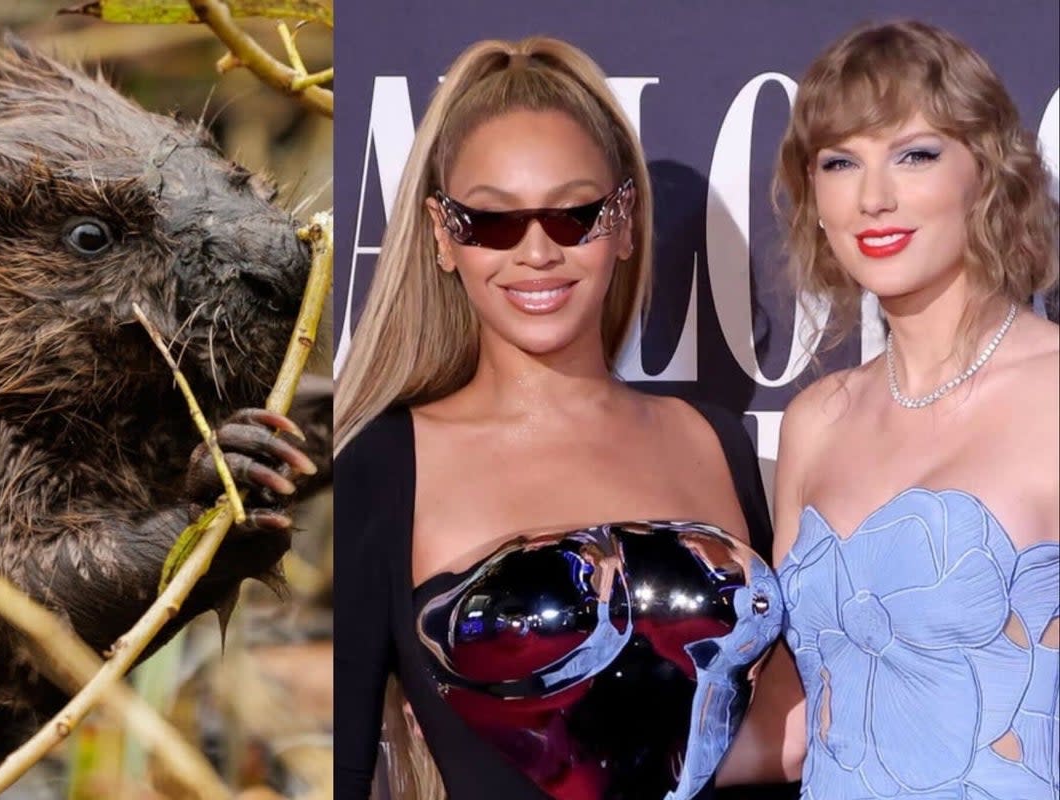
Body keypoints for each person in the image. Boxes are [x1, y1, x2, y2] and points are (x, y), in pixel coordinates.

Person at [335, 36, 784, 800]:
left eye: (576, 215)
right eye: (494, 221)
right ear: (445, 237)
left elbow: (784, 737)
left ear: (625, 224)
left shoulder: (712, 440)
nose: (538, 251)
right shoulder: (382, 465)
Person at [752, 19, 1058, 799]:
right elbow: (800, 724)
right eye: (840, 162)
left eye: (914, 154)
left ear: (987, 173)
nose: (874, 197)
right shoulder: (815, 421)